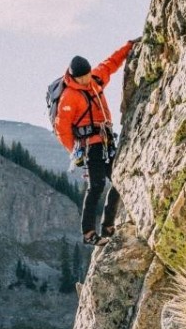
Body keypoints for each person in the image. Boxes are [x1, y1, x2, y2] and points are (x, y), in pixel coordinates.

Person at [53, 40, 136, 245]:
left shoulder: (96, 79)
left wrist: (129, 46)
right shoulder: (68, 97)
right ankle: (88, 233)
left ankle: (108, 226)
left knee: (119, 179)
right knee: (97, 186)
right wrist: (75, 152)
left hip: (106, 141)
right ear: (73, 77)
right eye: (81, 77)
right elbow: (62, 129)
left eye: (87, 75)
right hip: (91, 145)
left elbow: (111, 63)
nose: (85, 79)